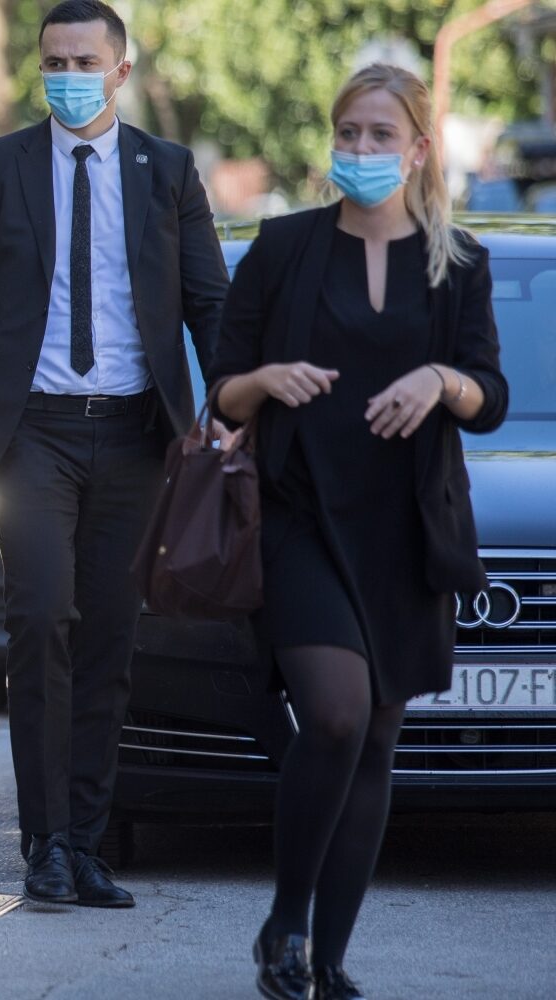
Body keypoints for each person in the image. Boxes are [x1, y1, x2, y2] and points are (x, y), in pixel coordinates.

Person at [0, 0, 228, 908]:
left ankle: (87, 843)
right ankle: (45, 840)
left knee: (110, 636)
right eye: (54, 61)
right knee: (41, 618)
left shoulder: (167, 170)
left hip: (136, 434)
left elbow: (210, 302)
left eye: (85, 61)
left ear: (120, 70)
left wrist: (230, 406)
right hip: (32, 435)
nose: (67, 75)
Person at [208, 64, 505, 1000]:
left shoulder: (459, 262)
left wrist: (441, 382)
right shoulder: (284, 246)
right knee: (335, 714)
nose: (362, 150)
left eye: (381, 135)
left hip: (406, 531)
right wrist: (267, 381)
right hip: (300, 517)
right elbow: (222, 389)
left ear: (419, 149)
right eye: (349, 133)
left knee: (376, 740)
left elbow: (490, 395)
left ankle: (328, 958)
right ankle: (285, 922)